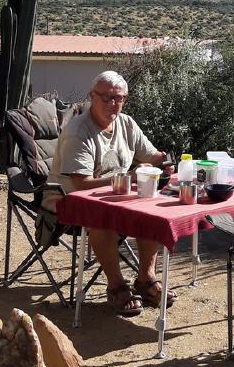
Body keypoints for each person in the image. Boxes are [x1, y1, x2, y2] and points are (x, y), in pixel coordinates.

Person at [49, 70, 176, 317]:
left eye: (118, 98)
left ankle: (145, 280)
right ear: (92, 97)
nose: (112, 104)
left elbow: (151, 155)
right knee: (101, 219)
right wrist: (128, 177)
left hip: (114, 195)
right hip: (68, 200)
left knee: (150, 211)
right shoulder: (79, 132)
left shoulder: (126, 124)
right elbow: (82, 185)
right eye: (105, 97)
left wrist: (166, 160)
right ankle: (116, 285)